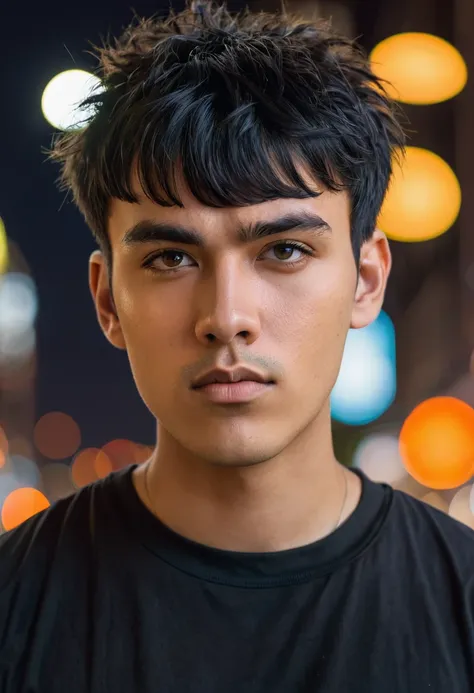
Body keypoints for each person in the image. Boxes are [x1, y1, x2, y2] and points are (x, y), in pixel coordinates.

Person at [1, 1, 473, 690]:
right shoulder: (16, 607)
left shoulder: (460, 603)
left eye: (283, 249)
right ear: (107, 300)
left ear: (366, 280)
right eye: (170, 258)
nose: (227, 316)